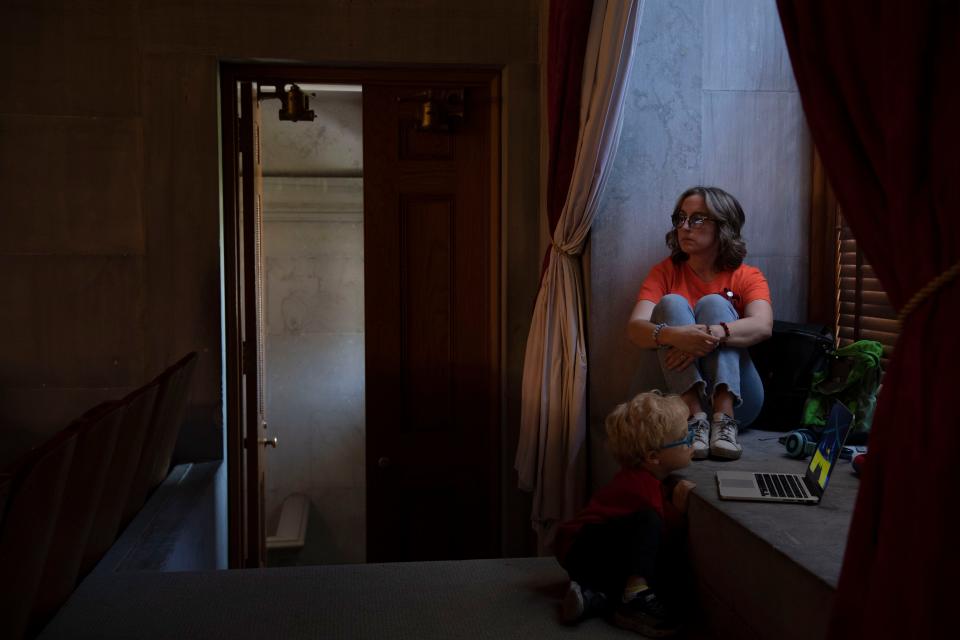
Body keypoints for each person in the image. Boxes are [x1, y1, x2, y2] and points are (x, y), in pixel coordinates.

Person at [627, 186, 773, 460]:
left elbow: (763, 325)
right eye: (680, 218)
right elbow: (635, 328)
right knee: (671, 303)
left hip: (741, 404)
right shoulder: (665, 272)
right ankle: (694, 416)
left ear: (723, 225)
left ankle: (723, 416)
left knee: (714, 304)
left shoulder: (746, 276)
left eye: (696, 219)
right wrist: (676, 336)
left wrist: (714, 333)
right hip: (669, 402)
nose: (684, 227)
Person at [554, 391, 697, 636]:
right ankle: (635, 597)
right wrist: (678, 511)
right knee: (649, 527)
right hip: (582, 546)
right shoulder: (642, 487)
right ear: (653, 457)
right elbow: (660, 534)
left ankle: (593, 598)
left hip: (596, 551)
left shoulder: (644, 478)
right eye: (684, 438)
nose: (691, 442)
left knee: (654, 569)